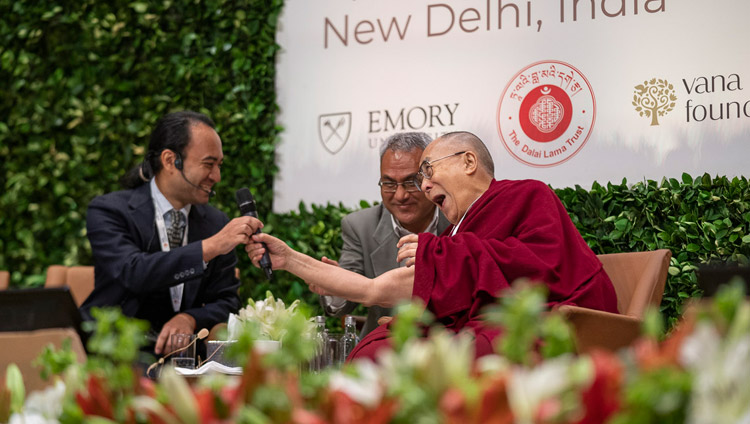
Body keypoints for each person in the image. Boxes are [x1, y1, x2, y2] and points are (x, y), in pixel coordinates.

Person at [247, 131, 617, 361]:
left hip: (532, 326)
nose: (422, 187)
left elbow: (546, 265)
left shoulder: (526, 195)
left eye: (426, 172)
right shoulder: (454, 234)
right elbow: (379, 289)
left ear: (468, 161)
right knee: (379, 345)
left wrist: (440, 257)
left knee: (407, 354)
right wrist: (291, 259)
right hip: (479, 328)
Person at [81, 110, 263, 356]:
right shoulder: (108, 210)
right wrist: (210, 247)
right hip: (117, 353)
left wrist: (190, 318)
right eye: (208, 165)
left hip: (187, 359)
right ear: (170, 160)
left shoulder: (216, 222)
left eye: (219, 165)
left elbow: (228, 301)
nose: (217, 177)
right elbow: (133, 271)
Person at [319, 132, 450, 338]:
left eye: (410, 182)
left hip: (446, 342)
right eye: (389, 184)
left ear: (429, 178)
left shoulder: (457, 219)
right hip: (382, 344)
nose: (400, 195)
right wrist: (333, 284)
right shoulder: (360, 226)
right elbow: (343, 303)